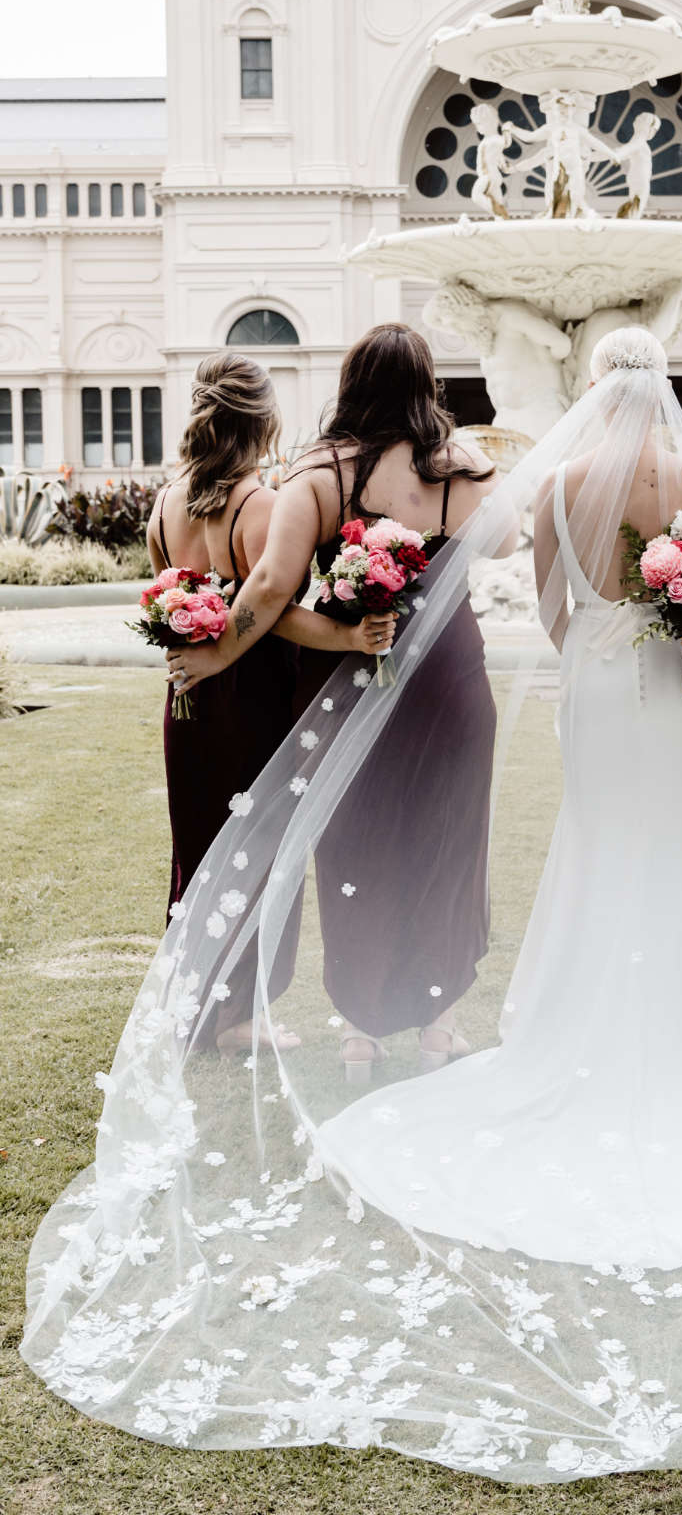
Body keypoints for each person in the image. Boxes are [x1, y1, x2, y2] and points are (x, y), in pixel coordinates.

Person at [24, 326, 682, 1482]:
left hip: (603, 685)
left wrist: (599, 638)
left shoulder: (560, 480)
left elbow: (552, 611)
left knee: (598, 848)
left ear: (596, 392)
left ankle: (554, 1025)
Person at [167, 324, 501, 1079]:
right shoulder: (465, 470)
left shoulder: (318, 474)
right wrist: (471, 462)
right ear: (427, 388)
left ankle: (360, 1032)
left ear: (350, 385)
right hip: (452, 678)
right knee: (447, 847)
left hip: (352, 683)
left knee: (356, 847)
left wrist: (217, 650)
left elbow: (271, 594)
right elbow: (508, 544)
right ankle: (439, 1028)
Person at [146, 353, 387, 1051]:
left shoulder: (167, 500)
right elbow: (273, 608)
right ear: (265, 419)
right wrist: (349, 636)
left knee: (198, 847)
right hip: (248, 697)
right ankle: (239, 1017)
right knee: (256, 848)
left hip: (186, 694)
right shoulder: (258, 504)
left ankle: (200, 1003)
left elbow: (173, 593)